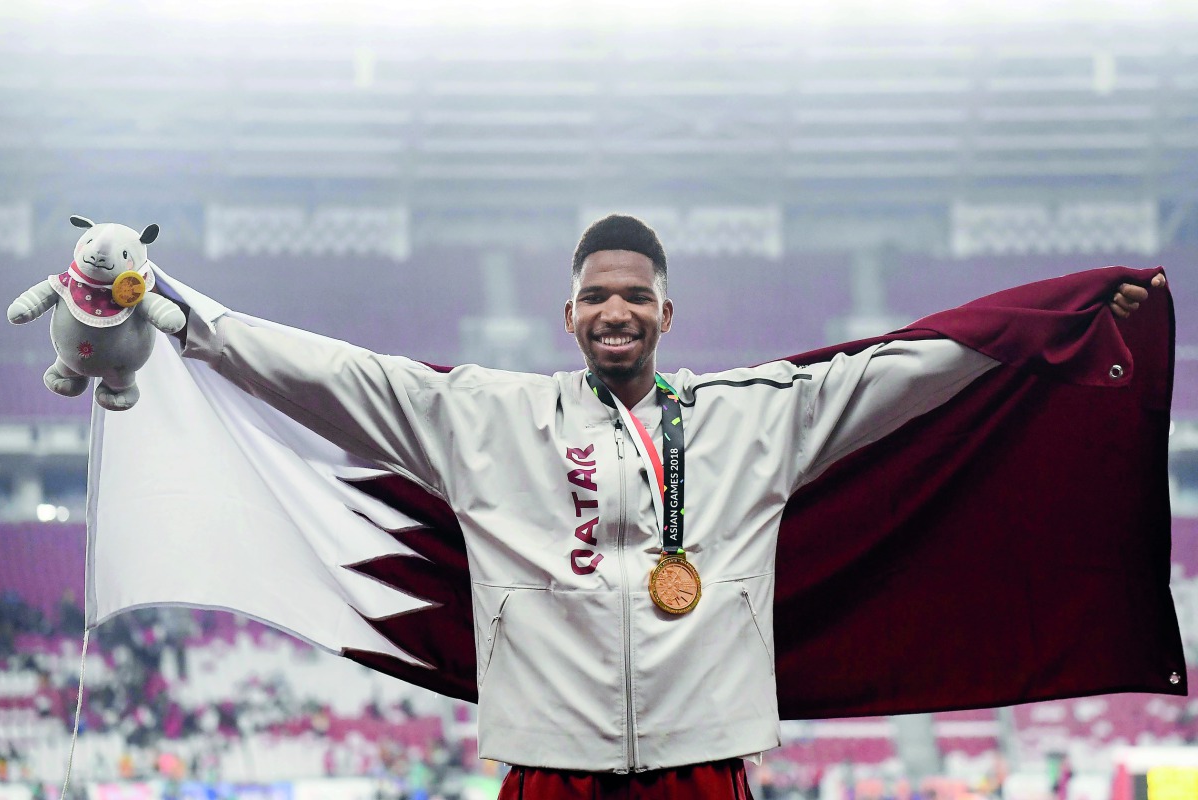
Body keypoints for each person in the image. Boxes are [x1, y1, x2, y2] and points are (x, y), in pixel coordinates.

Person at [157, 214, 1166, 800]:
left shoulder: (754, 418)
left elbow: (903, 367)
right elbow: (339, 376)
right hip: (549, 769)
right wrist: (188, 318)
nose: (616, 310)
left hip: (702, 768)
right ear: (570, 314)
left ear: (665, 314)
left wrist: (1059, 312)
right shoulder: (482, 418)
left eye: (636, 294)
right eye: (597, 294)